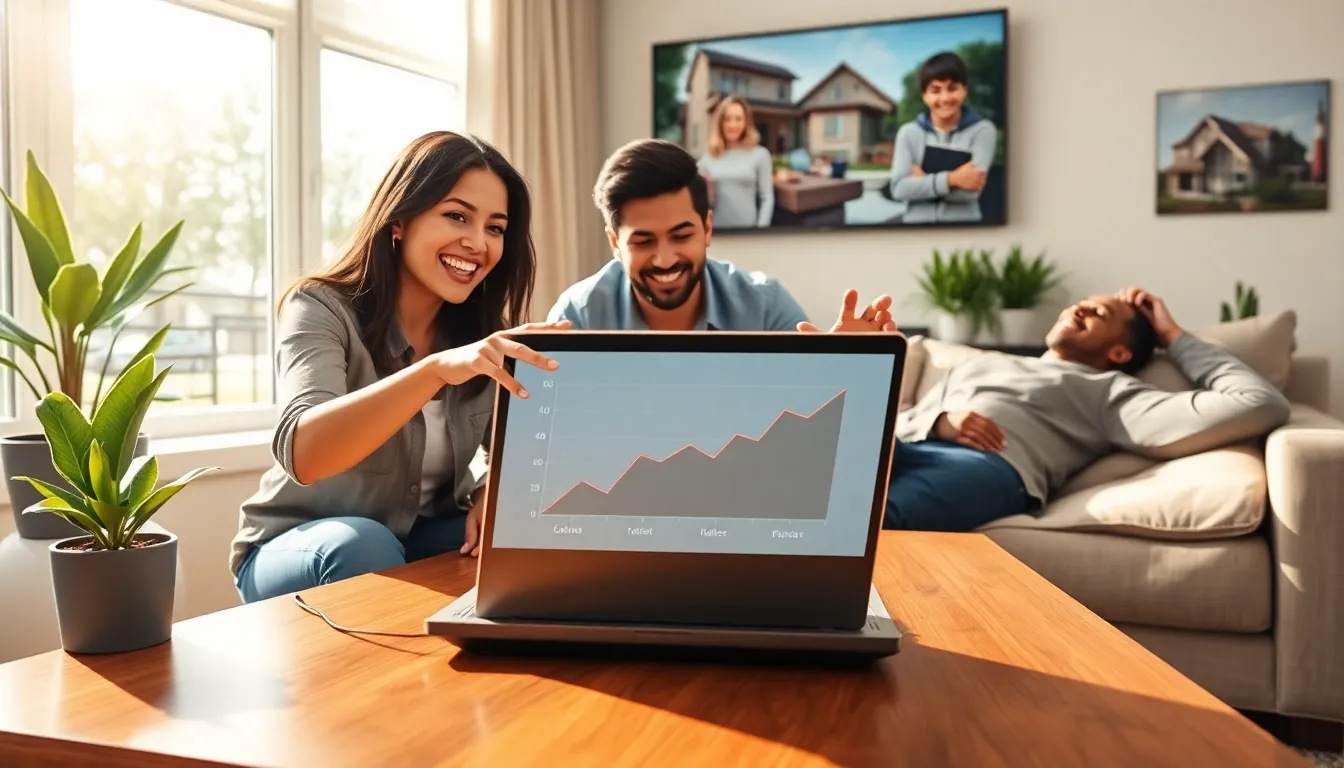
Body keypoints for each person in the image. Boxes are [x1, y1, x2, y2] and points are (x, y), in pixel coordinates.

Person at [231, 131, 569, 603]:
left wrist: (487, 492)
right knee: (364, 544)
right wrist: (433, 371)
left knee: (523, 538)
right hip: (301, 547)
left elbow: (514, 455)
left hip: (419, 535)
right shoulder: (319, 307)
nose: (477, 243)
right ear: (399, 221)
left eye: (495, 227)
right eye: (457, 216)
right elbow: (306, 453)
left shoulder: (484, 335)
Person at [890, 287, 1291, 531]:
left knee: (866, 525)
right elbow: (903, 419)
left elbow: (1259, 402)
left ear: (1119, 351)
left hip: (988, 468)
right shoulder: (984, 361)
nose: (1078, 309)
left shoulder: (1111, 393)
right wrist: (940, 421)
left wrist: (1173, 336)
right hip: (908, 444)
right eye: (1082, 304)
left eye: (1098, 313)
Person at [548, 138, 895, 333]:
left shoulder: (764, 305)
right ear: (615, 244)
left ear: (708, 228)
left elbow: (815, 413)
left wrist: (850, 368)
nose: (665, 259)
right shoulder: (578, 316)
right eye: (642, 242)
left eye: (681, 236)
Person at [888, 51, 998, 224]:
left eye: (952, 88)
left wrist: (923, 182)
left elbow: (971, 193)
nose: (945, 98)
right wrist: (953, 179)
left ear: (964, 89)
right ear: (924, 96)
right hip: (915, 231)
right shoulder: (908, 133)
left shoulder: (983, 130)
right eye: (935, 90)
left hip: (966, 231)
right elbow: (899, 189)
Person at [696, 96, 775, 229]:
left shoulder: (760, 154)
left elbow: (767, 197)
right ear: (720, 123)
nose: (733, 125)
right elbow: (694, 197)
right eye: (727, 119)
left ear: (746, 122)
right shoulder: (708, 158)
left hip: (749, 233)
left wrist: (761, 231)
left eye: (738, 119)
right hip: (717, 234)